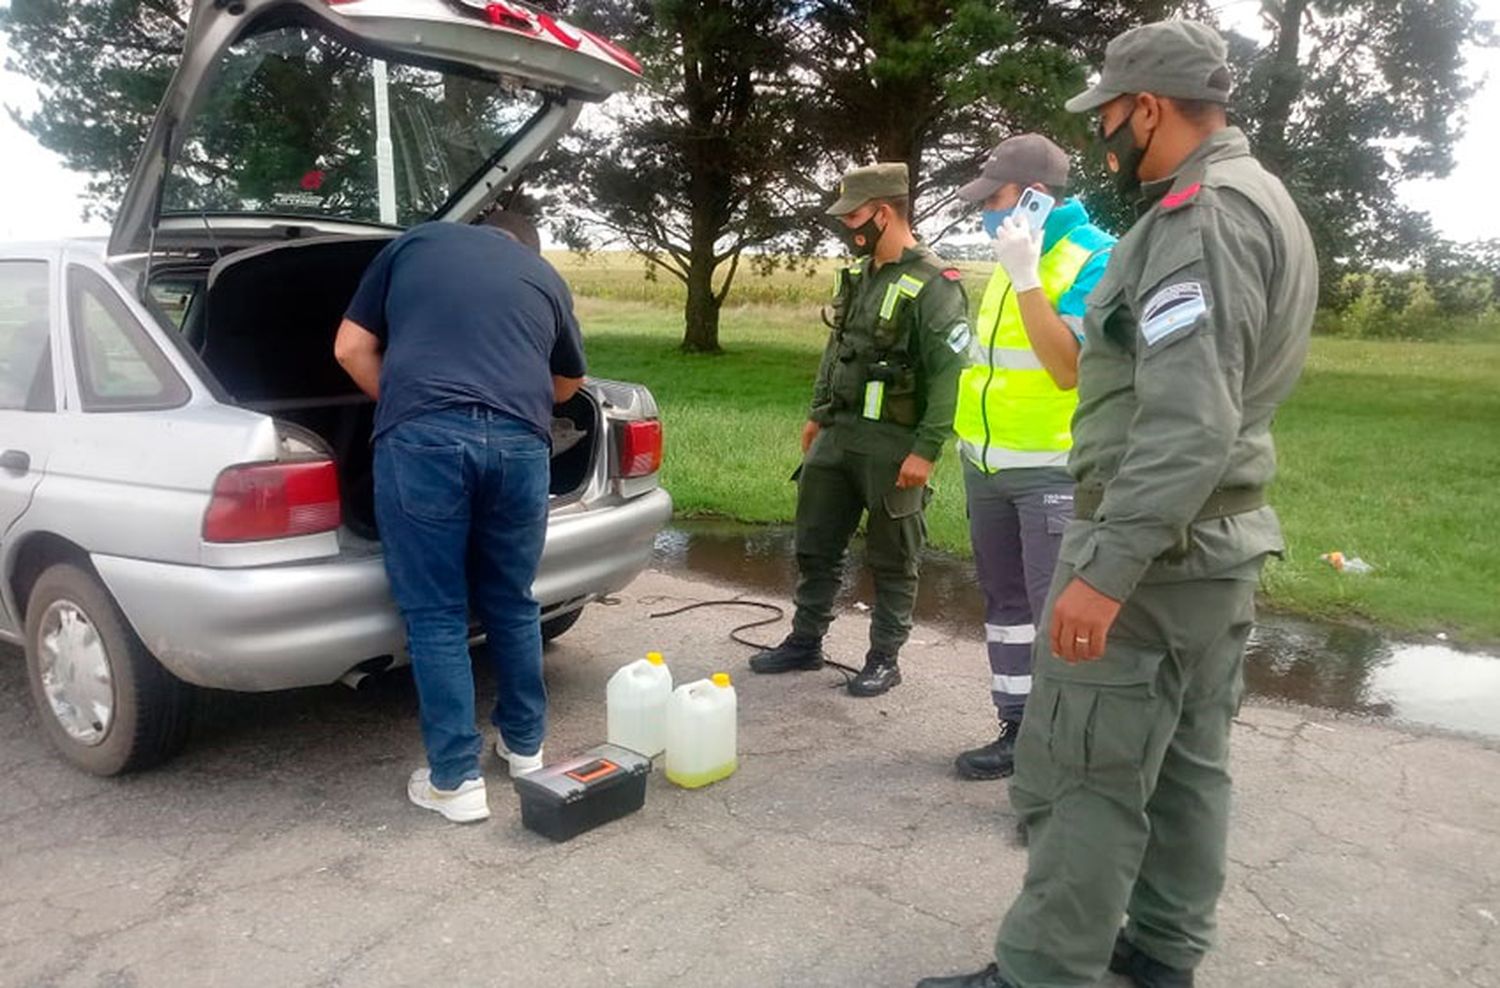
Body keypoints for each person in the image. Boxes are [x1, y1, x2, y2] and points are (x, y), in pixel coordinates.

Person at [918, 19, 1318, 988]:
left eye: (1108, 118)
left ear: (1146, 106)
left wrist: (1102, 569)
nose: (1104, 139)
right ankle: (1161, 950)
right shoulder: (1260, 198)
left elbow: (1188, 422)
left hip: (1153, 549)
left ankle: (1042, 970)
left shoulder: (1199, 216)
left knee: (1086, 767)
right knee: (1186, 764)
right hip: (1212, 544)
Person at [334, 210, 587, 824]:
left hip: (424, 443)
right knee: (512, 598)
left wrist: (407, 399)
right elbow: (568, 383)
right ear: (521, 244)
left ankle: (456, 781)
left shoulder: (416, 244)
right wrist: (509, 392)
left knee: (437, 613)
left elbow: (349, 348)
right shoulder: (543, 274)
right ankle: (526, 748)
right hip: (522, 448)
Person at [750, 162, 969, 697]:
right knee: (815, 543)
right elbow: (837, 349)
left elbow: (950, 374)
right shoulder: (860, 274)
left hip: (895, 446)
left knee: (894, 556)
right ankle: (805, 641)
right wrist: (815, 413)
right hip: (838, 435)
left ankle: (884, 658)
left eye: (853, 216)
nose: (847, 226)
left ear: (885, 211)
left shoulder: (936, 284)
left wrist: (928, 449)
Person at [950, 134, 1115, 781]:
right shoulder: (1013, 253)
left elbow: (1067, 368)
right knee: (1007, 607)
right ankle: (1018, 732)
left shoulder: (1096, 257)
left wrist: (1024, 278)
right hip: (988, 464)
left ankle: (1065, 757)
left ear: (1037, 198)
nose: (986, 213)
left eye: (996, 199)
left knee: (1058, 620)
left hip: (1050, 469)